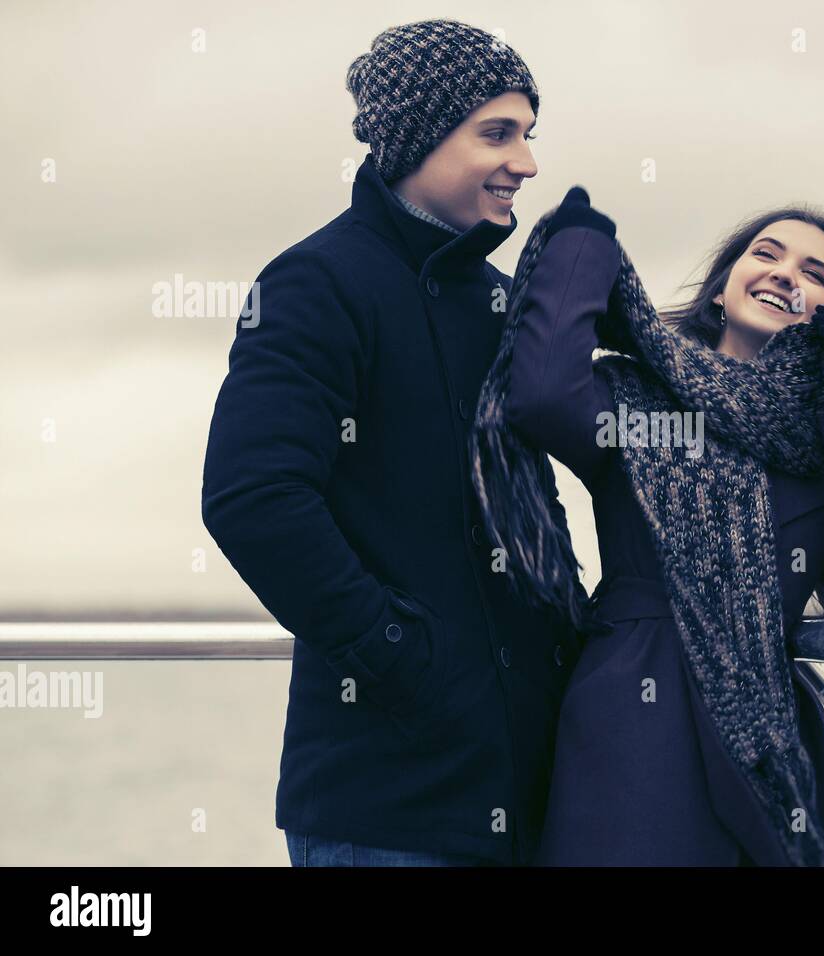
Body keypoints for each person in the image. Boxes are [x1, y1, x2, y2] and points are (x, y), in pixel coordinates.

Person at [471, 186, 824, 865]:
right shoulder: (638, 399)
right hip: (634, 729)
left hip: (766, 753)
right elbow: (542, 396)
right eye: (767, 254)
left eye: (816, 274)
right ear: (725, 286)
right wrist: (585, 244)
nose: (787, 273)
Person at [201, 19, 579, 867]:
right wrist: (406, 660)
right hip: (388, 805)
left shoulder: (501, 299)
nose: (525, 161)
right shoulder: (316, 282)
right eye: (497, 133)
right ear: (418, 138)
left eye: (527, 135)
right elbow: (253, 499)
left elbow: (540, 509)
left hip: (531, 793)